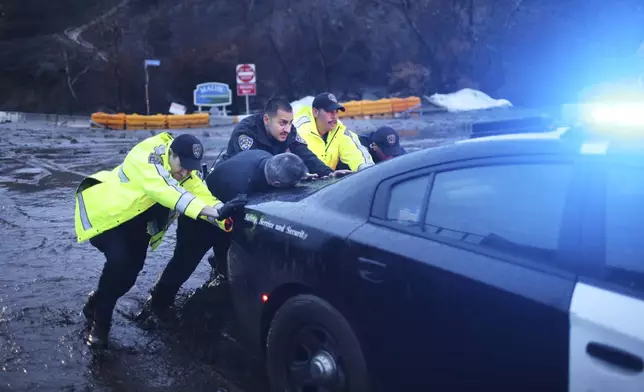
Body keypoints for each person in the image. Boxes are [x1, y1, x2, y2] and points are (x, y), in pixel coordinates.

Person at [75, 132, 247, 348]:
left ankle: (97, 302)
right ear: (171, 154)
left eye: (190, 167)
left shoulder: (186, 174)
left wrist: (225, 215)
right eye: (182, 164)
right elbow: (168, 192)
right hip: (111, 217)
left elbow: (203, 196)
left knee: (128, 277)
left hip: (139, 226)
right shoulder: (147, 157)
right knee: (118, 264)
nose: (185, 171)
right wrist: (208, 211)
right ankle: (100, 326)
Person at [144, 149, 308, 317]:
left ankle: (220, 283)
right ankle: (157, 306)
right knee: (184, 263)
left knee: (226, 256)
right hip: (201, 218)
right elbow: (236, 224)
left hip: (226, 211)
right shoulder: (238, 186)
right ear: (277, 184)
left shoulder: (263, 155)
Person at [221, 97, 347, 178]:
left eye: (290, 122)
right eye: (282, 123)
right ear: (266, 119)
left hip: (269, 178)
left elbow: (305, 154)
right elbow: (251, 169)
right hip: (234, 178)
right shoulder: (246, 132)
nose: (287, 129)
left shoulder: (288, 130)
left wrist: (329, 173)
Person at [293, 92, 375, 172]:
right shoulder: (299, 130)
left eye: (336, 112)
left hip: (328, 180)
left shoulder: (339, 130)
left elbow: (356, 153)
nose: (334, 117)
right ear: (315, 112)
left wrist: (366, 170)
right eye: (330, 112)